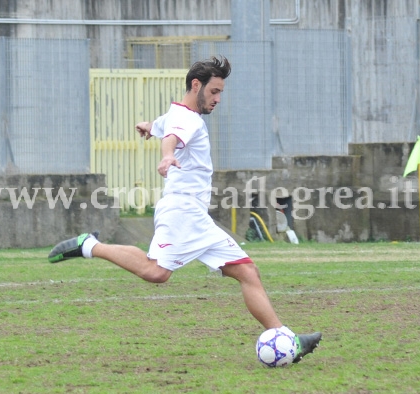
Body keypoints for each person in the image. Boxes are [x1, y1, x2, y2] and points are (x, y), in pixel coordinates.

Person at [48, 56, 321, 363]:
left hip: (194, 215)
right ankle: (90, 246)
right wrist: (166, 156)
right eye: (214, 91)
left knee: (247, 271)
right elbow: (172, 137)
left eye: (220, 93)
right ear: (196, 85)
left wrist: (149, 126)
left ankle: (288, 340)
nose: (217, 99)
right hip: (182, 211)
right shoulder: (187, 120)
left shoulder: (180, 113)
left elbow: (165, 126)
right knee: (156, 272)